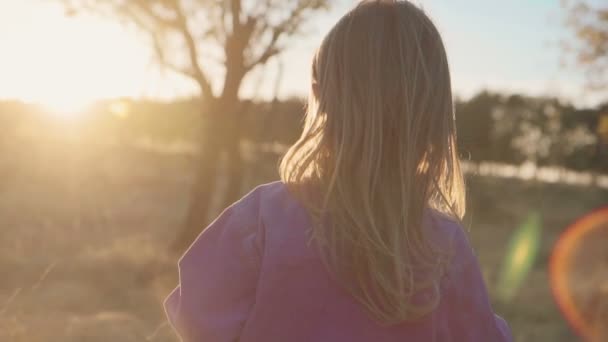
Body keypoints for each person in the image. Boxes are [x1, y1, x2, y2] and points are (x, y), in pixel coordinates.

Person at [164, 1, 513, 341]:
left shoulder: (263, 217)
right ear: (434, 110)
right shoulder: (444, 245)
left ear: (319, 95)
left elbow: (197, 316)